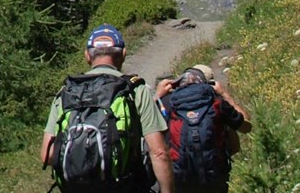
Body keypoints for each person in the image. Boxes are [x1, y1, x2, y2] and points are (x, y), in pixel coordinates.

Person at [42, 25, 175, 192]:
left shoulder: (66, 92)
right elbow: (159, 153)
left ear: (87, 56)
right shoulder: (135, 90)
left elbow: (46, 156)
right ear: (123, 54)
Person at [155, 64, 253, 193]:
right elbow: (246, 127)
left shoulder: (166, 102)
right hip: (214, 175)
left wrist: (157, 97)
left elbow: (143, 125)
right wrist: (224, 94)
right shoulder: (217, 102)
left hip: (180, 177)